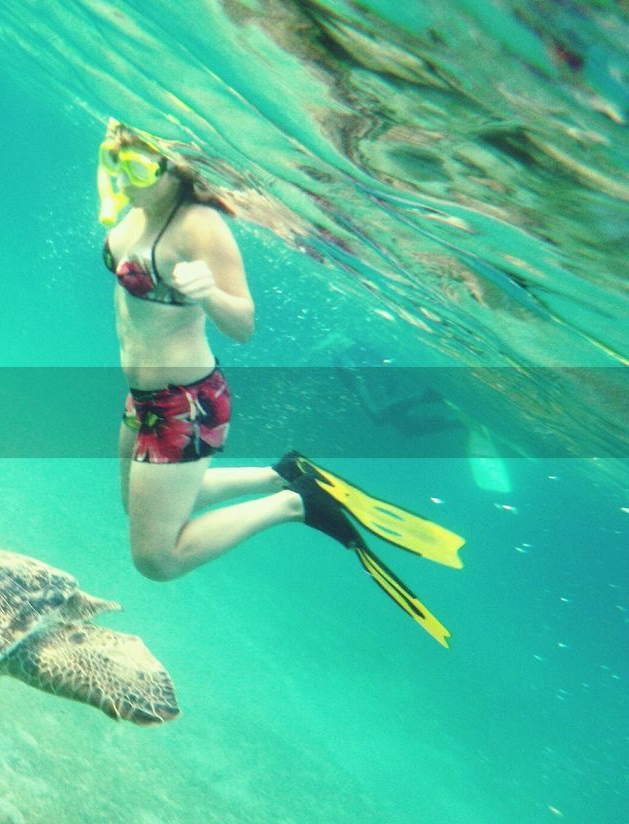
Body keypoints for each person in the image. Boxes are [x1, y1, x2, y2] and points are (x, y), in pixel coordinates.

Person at [99, 119, 463, 646]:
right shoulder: (132, 212)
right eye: (116, 161)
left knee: (156, 559)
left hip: (186, 406)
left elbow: (242, 325)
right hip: (144, 398)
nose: (124, 175)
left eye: (137, 165)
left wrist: (207, 293)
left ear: (174, 168)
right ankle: (283, 474)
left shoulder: (199, 225)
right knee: (138, 505)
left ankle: (294, 503)